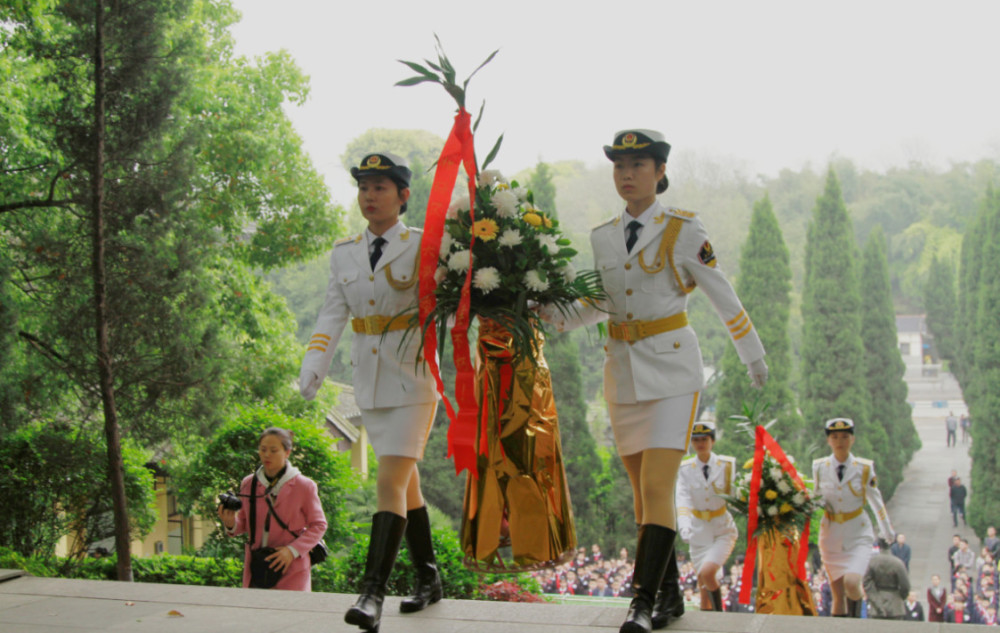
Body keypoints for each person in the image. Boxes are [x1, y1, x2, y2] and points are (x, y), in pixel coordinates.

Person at [541, 129, 767, 633]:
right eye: (619, 165)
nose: (626, 174)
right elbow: (600, 303)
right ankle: (670, 598)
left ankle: (640, 605)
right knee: (643, 498)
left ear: (660, 171)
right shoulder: (602, 235)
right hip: (622, 371)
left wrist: (752, 353)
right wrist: (549, 315)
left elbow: (720, 292)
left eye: (638, 164)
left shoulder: (682, 228)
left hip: (672, 371)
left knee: (659, 486)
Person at [299, 152, 441, 631]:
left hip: (415, 379)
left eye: (381, 187)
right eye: (364, 187)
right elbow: (332, 313)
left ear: (403, 196)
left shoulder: (427, 246)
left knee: (388, 480)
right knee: (406, 483)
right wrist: (314, 362)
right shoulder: (344, 252)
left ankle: (371, 593)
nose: (369, 196)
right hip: (370, 384)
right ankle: (429, 576)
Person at [218, 427, 328, 591]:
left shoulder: (304, 486)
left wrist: (292, 551)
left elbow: (319, 525)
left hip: (292, 569)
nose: (267, 455)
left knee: (289, 615)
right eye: (263, 450)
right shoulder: (249, 483)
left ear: (287, 452)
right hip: (258, 567)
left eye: (273, 450)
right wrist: (230, 524)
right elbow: (244, 523)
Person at [813, 418, 894, 618]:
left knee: (851, 582)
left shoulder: (864, 468)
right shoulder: (819, 467)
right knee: (838, 594)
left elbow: (877, 502)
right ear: (828, 441)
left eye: (845, 436)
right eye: (834, 437)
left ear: (853, 439)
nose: (840, 441)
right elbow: (816, 498)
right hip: (830, 534)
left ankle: (856, 622)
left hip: (858, 532)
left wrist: (887, 531)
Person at [675, 421, 737, 612]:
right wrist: (684, 525)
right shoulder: (685, 468)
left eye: (705, 439)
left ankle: (720, 614)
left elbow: (734, 495)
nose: (701, 443)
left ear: (713, 441)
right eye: (696, 440)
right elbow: (683, 499)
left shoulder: (726, 465)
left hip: (722, 529)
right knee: (702, 585)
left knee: (707, 573)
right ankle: (707, 621)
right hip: (699, 530)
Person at [862, 539, 910, 620]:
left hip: (877, 601)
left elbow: (866, 582)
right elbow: (905, 585)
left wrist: (874, 597)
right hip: (895, 604)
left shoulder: (872, 562)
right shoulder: (898, 563)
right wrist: (901, 596)